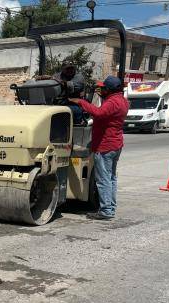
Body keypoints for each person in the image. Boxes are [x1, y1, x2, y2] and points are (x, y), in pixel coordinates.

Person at [69, 75, 129, 221]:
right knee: (111, 178)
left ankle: (106, 210)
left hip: (105, 146)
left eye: (103, 88)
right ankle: (110, 207)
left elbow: (98, 113)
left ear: (109, 90)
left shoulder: (112, 102)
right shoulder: (122, 101)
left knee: (103, 180)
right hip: (115, 144)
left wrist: (81, 102)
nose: (100, 90)